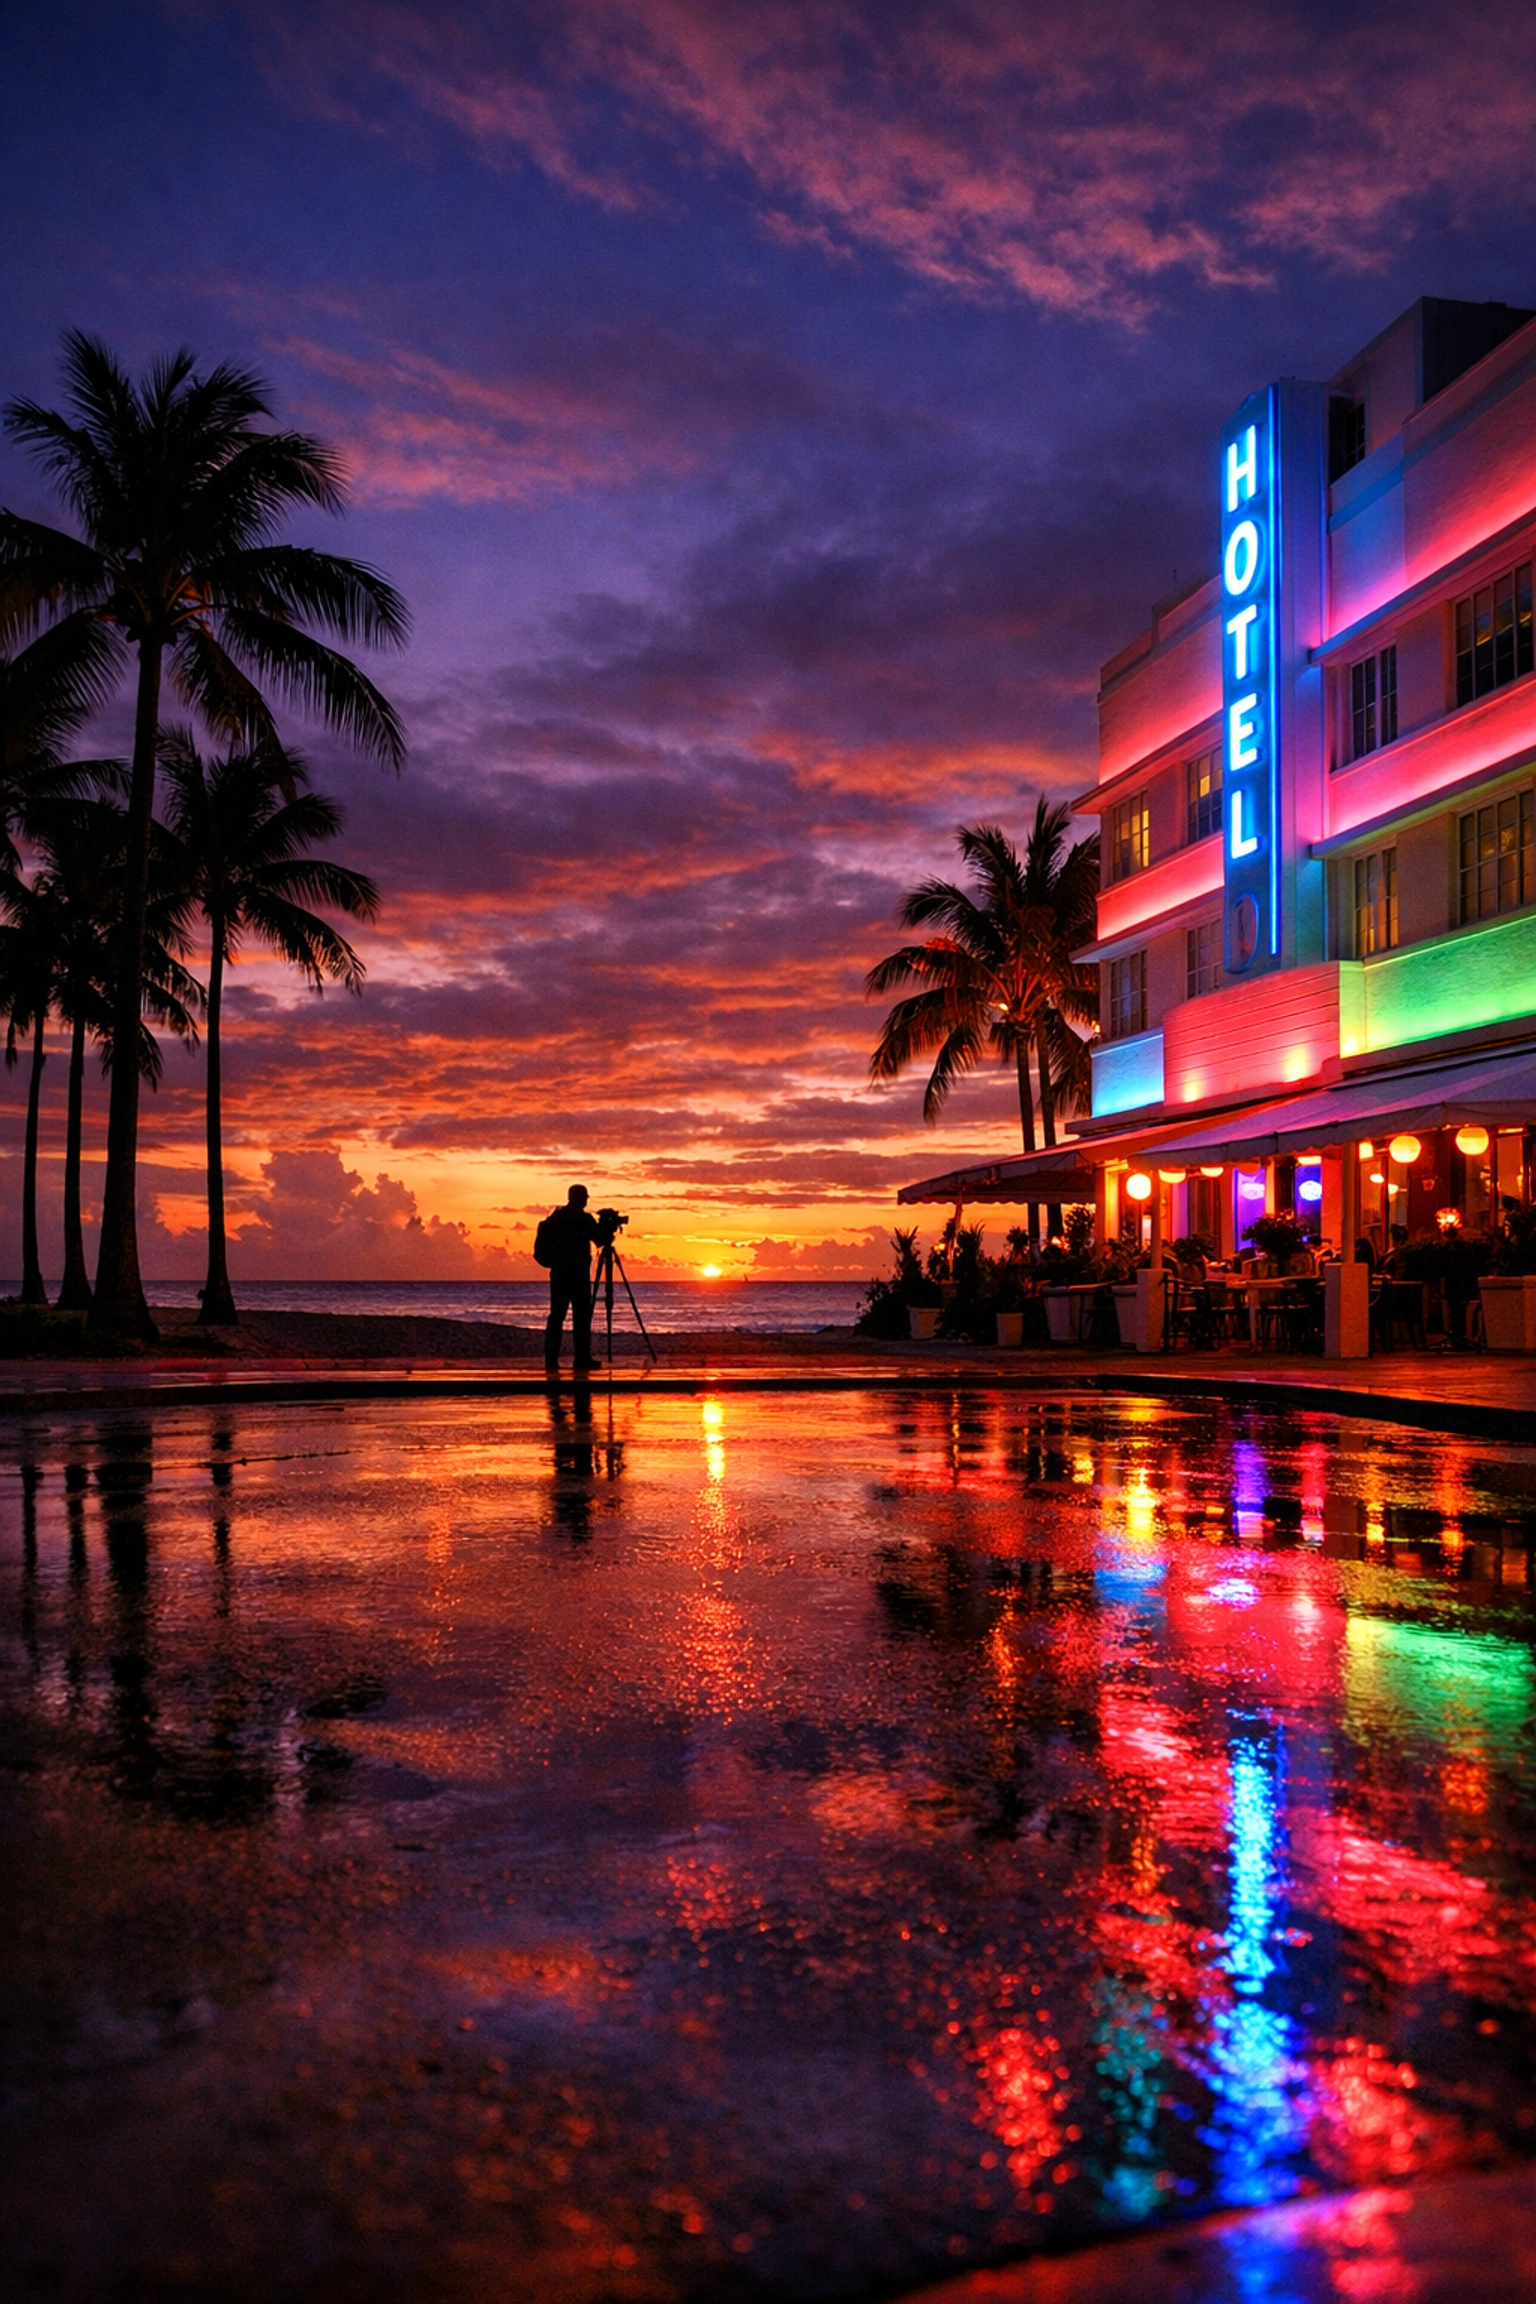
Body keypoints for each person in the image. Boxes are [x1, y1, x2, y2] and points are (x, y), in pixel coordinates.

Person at [542, 1184, 602, 1374]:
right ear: (580, 1198)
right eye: (585, 1197)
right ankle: (582, 1358)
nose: (587, 1200)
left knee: (556, 1316)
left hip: (559, 1274)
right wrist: (607, 1227)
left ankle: (551, 1360)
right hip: (578, 1275)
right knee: (582, 1317)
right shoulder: (584, 1219)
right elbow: (601, 1239)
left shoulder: (557, 1217)